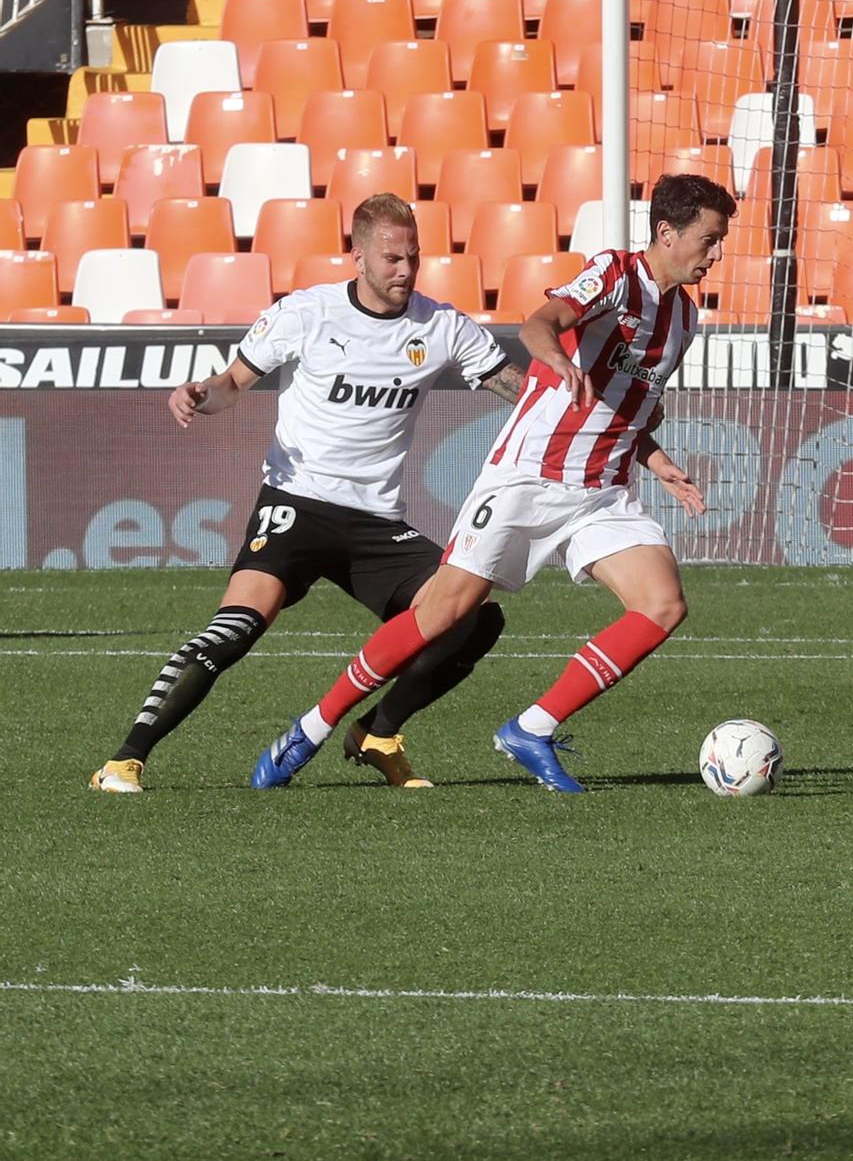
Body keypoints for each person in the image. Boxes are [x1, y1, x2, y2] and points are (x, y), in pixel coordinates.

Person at [247, 173, 732, 793]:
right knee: (443, 612)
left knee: (662, 604)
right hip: (529, 475)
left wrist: (656, 460)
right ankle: (313, 727)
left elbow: (626, 406)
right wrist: (553, 356)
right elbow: (539, 323)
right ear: (667, 232)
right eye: (709, 239)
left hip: (603, 490)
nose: (716, 254)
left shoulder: (684, 319)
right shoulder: (614, 274)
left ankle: (532, 727)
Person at [88, 194, 519, 793]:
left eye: (414, 258)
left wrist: (574, 402)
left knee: (474, 620)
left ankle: (377, 732)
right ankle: (125, 758)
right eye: (392, 258)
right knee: (234, 628)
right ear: (358, 256)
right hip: (296, 504)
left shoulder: (442, 327)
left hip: (376, 523)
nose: (405, 270)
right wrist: (198, 395)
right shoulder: (306, 314)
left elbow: (516, 389)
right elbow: (232, 383)